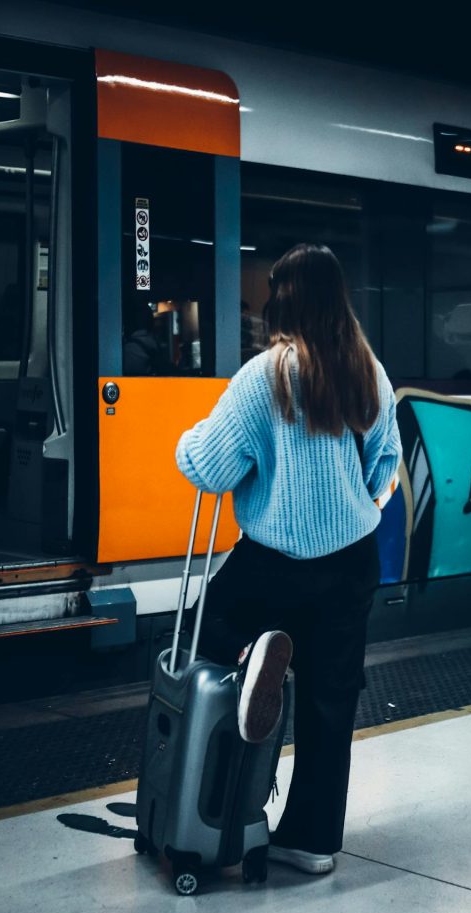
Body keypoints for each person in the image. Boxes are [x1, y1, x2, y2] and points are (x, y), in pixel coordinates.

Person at [175, 243, 402, 875]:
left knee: (206, 634)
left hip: (272, 564)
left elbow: (210, 468)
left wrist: (187, 440)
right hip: (352, 560)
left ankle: (224, 776)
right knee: (332, 699)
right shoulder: (368, 372)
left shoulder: (264, 376)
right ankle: (311, 841)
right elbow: (387, 460)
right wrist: (353, 504)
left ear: (286, 298)